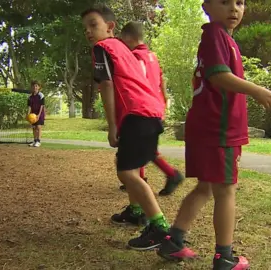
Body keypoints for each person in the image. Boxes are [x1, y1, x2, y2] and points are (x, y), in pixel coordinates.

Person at [156, 0, 271, 269]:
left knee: (205, 187)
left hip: (209, 128)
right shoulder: (214, 35)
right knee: (226, 190)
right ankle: (224, 257)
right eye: (225, 2)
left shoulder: (224, 39)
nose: (234, 9)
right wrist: (256, 90)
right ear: (207, 6)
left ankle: (174, 240)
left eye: (240, 2)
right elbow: (218, 76)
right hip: (218, 130)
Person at [81, 5, 172, 250]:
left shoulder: (101, 48)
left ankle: (160, 228)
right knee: (130, 165)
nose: (88, 32)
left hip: (136, 114)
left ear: (110, 27)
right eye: (85, 28)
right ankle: (135, 212)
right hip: (152, 112)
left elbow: (107, 86)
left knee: (127, 173)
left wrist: (112, 126)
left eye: (93, 25)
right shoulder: (122, 48)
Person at [119, 21, 185, 196]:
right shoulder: (153, 57)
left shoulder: (134, 58)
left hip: (141, 107)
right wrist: (163, 104)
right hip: (155, 107)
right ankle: (143, 178)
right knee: (146, 147)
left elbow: (136, 84)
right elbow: (161, 83)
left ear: (127, 38)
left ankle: (154, 177)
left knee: (140, 147)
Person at [27, 80, 45, 147]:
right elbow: (29, 106)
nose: (35, 87)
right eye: (34, 86)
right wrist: (28, 115)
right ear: (32, 87)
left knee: (38, 127)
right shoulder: (29, 97)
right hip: (32, 114)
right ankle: (34, 141)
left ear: (39, 87)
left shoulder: (41, 95)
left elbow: (42, 106)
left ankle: (38, 141)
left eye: (36, 86)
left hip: (40, 113)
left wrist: (38, 115)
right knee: (34, 127)